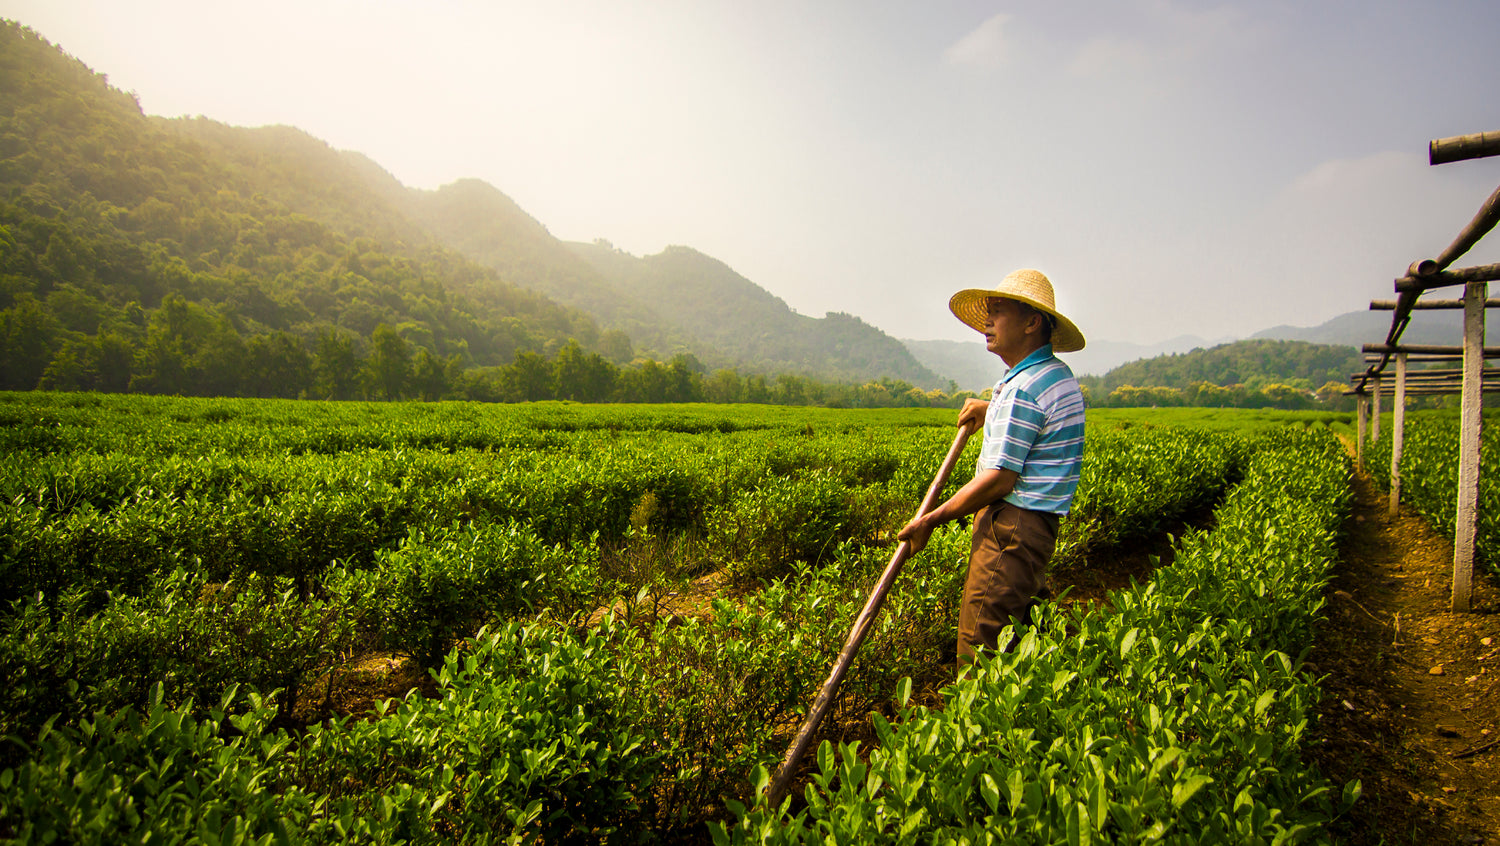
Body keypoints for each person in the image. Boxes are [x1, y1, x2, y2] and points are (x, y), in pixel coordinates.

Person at [897, 268, 1086, 666]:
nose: (987, 321)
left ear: (1033, 322)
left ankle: (975, 724)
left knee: (980, 643)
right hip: (1038, 528)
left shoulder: (1022, 391)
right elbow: (1034, 417)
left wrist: (931, 519)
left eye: (998, 312)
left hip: (1011, 528)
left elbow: (999, 480)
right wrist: (992, 406)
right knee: (1024, 635)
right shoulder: (1052, 375)